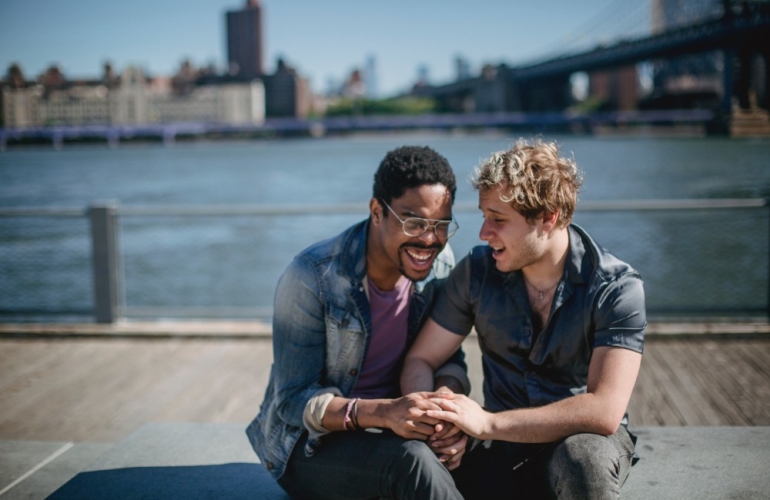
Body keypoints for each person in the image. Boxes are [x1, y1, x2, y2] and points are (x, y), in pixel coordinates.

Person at [401, 138, 646, 499]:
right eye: (484, 217)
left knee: (582, 458)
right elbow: (422, 359)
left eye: (498, 220)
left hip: (577, 440)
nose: (484, 233)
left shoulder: (616, 288)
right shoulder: (477, 272)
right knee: (412, 457)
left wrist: (487, 423)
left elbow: (604, 409)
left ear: (549, 218)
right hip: (498, 442)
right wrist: (440, 424)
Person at [246, 145, 470, 500]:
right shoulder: (311, 276)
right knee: (411, 462)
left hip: (399, 428)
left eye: (441, 225)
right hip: (309, 446)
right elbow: (290, 401)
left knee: (486, 449)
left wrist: (447, 414)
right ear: (377, 211)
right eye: (413, 222)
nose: (429, 240)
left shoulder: (440, 267)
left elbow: (449, 361)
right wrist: (384, 413)